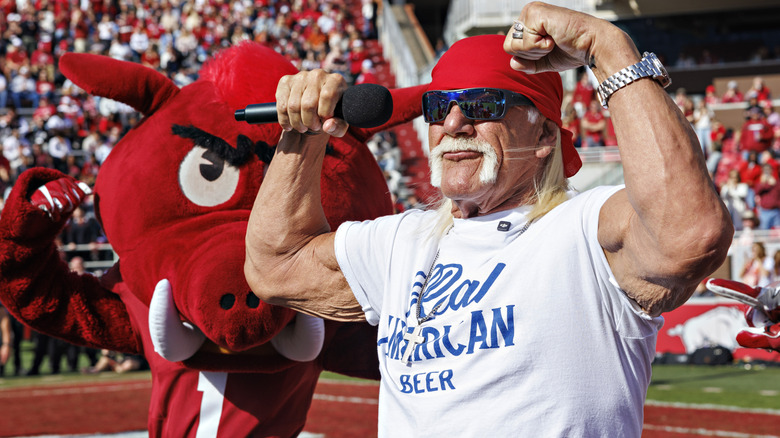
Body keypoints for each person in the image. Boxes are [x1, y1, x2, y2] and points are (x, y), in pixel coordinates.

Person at [244, 4, 732, 436]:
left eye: (481, 105)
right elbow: (275, 266)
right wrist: (302, 131)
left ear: (543, 135)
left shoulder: (581, 230)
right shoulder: (404, 241)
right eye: (439, 107)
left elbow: (690, 234)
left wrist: (605, 46)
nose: (455, 124)